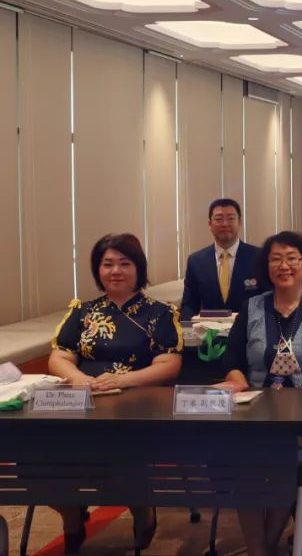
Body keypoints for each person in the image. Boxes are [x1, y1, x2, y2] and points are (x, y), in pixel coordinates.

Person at [49, 233, 182, 553]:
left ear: (139, 269)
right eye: (107, 264)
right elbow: (60, 356)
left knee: (123, 451)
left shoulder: (159, 313)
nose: (115, 271)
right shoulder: (83, 312)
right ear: (98, 270)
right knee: (44, 456)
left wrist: (125, 380)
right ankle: (72, 517)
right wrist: (79, 379)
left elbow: (169, 364)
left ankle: (141, 507)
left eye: (125, 264)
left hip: (136, 405)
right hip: (84, 401)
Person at [220, 231, 302, 556]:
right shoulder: (251, 307)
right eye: (276, 259)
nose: (284, 266)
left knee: (285, 457)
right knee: (245, 464)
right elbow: (232, 362)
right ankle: (259, 550)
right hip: (256, 413)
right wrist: (238, 383)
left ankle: (262, 548)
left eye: (292, 258)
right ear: (266, 266)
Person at [180, 198, 263, 319]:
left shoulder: (258, 257)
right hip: (208, 329)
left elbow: (268, 300)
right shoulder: (196, 261)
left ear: (239, 222)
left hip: (249, 328)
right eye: (218, 219)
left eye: (231, 218)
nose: (225, 224)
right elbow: (189, 304)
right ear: (210, 224)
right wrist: (187, 328)